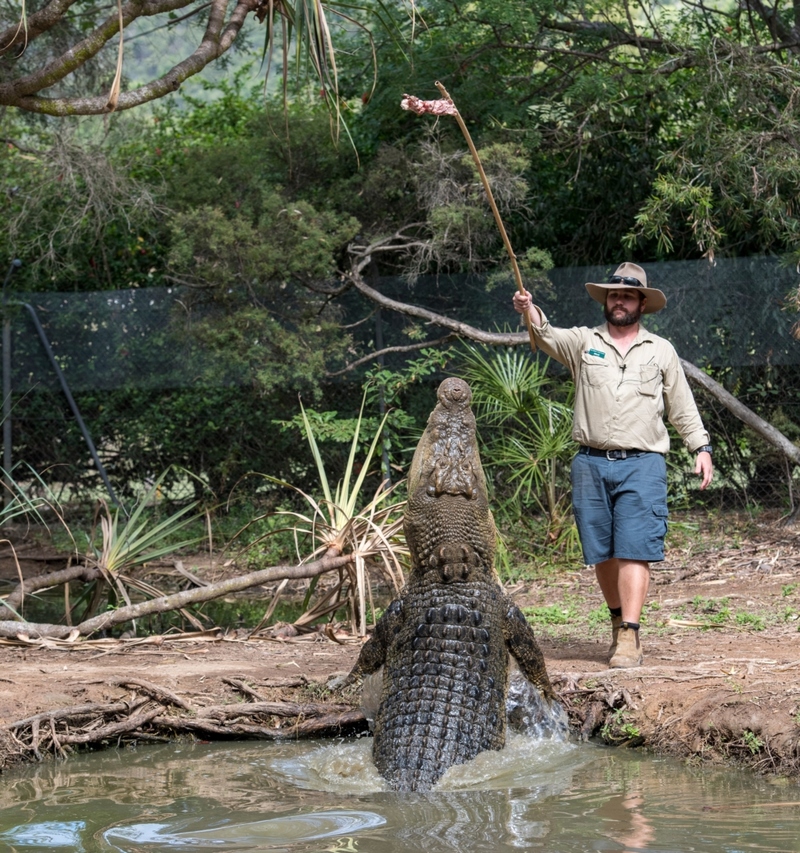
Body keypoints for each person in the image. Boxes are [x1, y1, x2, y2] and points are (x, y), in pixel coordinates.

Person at [512, 262, 713, 668]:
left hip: (643, 463)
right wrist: (527, 308)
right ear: (607, 301)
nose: (618, 300)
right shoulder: (585, 343)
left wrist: (701, 447)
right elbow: (546, 333)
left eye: (627, 295)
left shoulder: (661, 350)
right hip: (590, 462)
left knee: (634, 549)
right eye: (613, 295)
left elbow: (682, 406)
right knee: (602, 553)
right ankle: (618, 621)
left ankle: (631, 637)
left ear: (642, 302)